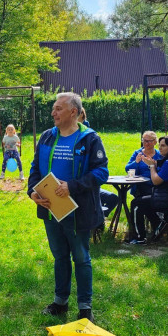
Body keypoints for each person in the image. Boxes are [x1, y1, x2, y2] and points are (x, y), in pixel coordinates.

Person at [28, 92, 109, 323]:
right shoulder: (46, 137)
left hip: (78, 211)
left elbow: (101, 172)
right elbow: (35, 169)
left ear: (73, 112)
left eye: (58, 109)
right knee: (60, 257)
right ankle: (60, 302)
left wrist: (72, 186)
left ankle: (85, 308)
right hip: (51, 209)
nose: (53, 112)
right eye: (54, 108)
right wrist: (32, 191)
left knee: (81, 258)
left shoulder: (90, 139)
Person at [124, 130, 161, 197]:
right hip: (140, 185)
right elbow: (127, 169)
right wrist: (136, 162)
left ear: (155, 142)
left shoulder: (159, 155)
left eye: (149, 141)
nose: (147, 143)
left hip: (156, 184)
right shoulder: (137, 153)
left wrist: (154, 165)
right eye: (145, 141)